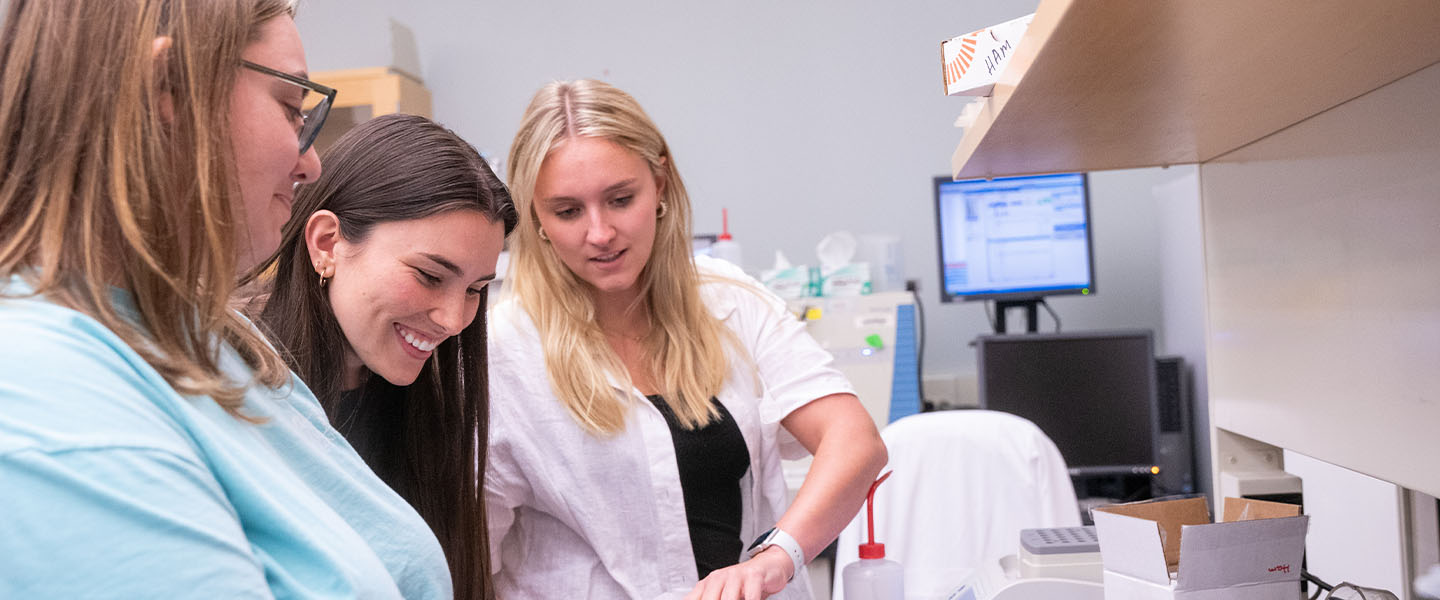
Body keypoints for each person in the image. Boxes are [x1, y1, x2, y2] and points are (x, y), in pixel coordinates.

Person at [0, 1, 449, 597]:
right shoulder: (45, 390)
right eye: (292, 109)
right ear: (170, 88)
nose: (311, 163)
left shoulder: (221, 339)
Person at [486, 79, 889, 600]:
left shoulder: (731, 302)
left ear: (660, 184)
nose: (600, 232)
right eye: (567, 211)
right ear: (535, 217)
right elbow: (471, 555)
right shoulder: (501, 354)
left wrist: (775, 559)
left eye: (620, 199)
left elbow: (854, 441)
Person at [245, 112, 517, 600]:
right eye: (430, 276)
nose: (455, 321)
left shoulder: (426, 413)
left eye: (476, 289)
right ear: (327, 244)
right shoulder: (235, 398)